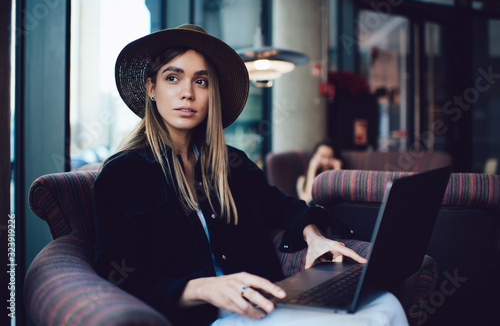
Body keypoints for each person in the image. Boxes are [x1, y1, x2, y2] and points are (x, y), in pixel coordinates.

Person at [93, 24, 407, 326]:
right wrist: (202, 288)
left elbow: (286, 207)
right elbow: (118, 278)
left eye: (201, 81)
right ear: (151, 88)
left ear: (211, 92)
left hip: (264, 307)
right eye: (173, 77)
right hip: (200, 320)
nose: (187, 93)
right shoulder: (123, 175)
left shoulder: (232, 165)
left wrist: (315, 239)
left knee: (383, 302)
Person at [297, 139, 342, 205]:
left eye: (330, 157)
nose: (326, 162)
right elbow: (308, 200)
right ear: (315, 157)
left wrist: (338, 171)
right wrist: (312, 168)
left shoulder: (333, 177)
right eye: (323, 156)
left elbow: (339, 199)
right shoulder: (301, 180)